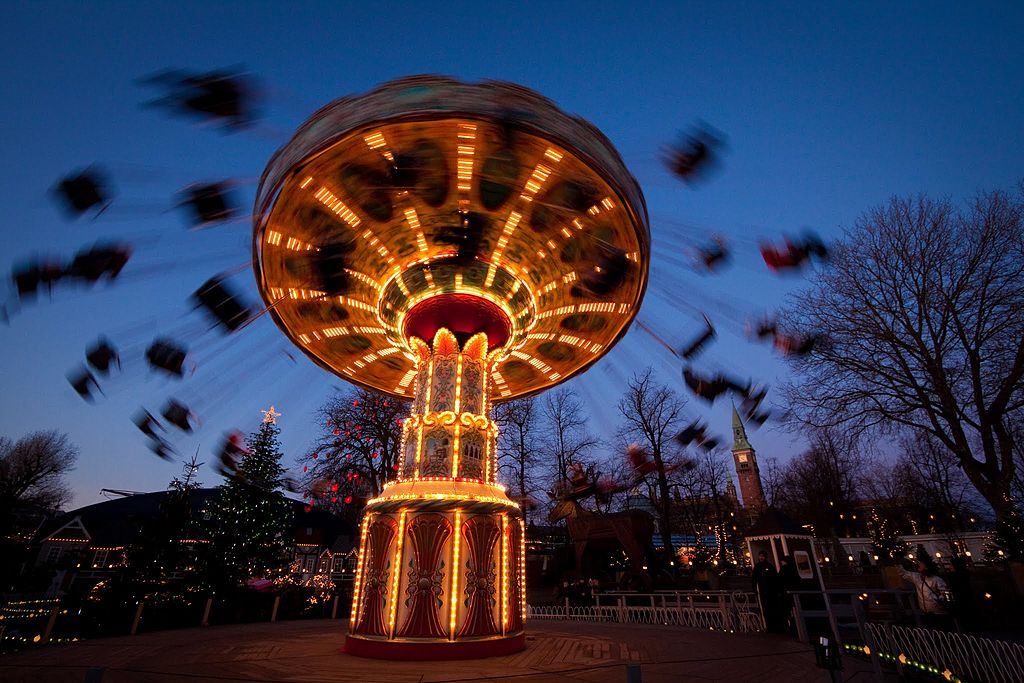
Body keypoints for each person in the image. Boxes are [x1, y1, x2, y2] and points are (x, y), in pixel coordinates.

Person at [900, 558, 952, 629]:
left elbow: (945, 592)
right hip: (925, 612)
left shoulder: (936, 579)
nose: (919, 565)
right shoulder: (917, 578)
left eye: (921, 564)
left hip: (938, 613)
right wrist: (898, 564)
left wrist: (939, 601)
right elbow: (904, 573)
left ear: (926, 567)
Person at [752, 550, 781, 632]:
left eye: (762, 556)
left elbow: (774, 578)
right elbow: (754, 579)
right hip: (763, 591)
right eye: (760, 556)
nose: (761, 557)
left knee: (771, 608)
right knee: (766, 608)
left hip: (770, 591)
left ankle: (774, 626)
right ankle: (770, 626)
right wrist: (754, 588)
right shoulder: (758, 567)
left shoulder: (768, 566)